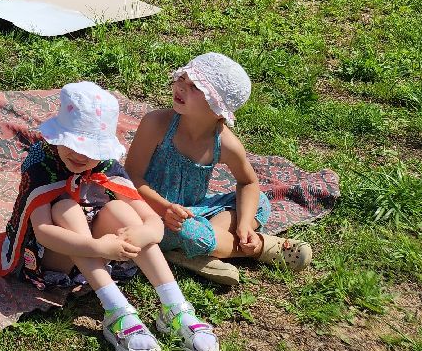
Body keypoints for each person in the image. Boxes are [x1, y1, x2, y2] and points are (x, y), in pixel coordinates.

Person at [0, 82, 220, 351]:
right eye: (73, 144)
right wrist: (99, 248)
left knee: (123, 212)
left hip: (100, 245)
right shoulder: (41, 163)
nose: (80, 155)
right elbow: (44, 233)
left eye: (91, 150)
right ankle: (116, 310)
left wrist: (145, 232)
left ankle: (175, 307)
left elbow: (150, 218)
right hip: (51, 256)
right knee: (65, 207)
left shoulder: (106, 165)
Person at [125, 52, 313, 287]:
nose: (181, 87)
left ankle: (194, 252)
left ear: (217, 108)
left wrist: (244, 223)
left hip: (192, 211)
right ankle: (257, 248)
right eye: (182, 79)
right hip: (149, 213)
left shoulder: (225, 144)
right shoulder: (157, 124)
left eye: (195, 87)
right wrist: (164, 208)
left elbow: (249, 183)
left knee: (260, 202)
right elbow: (130, 176)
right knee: (188, 231)